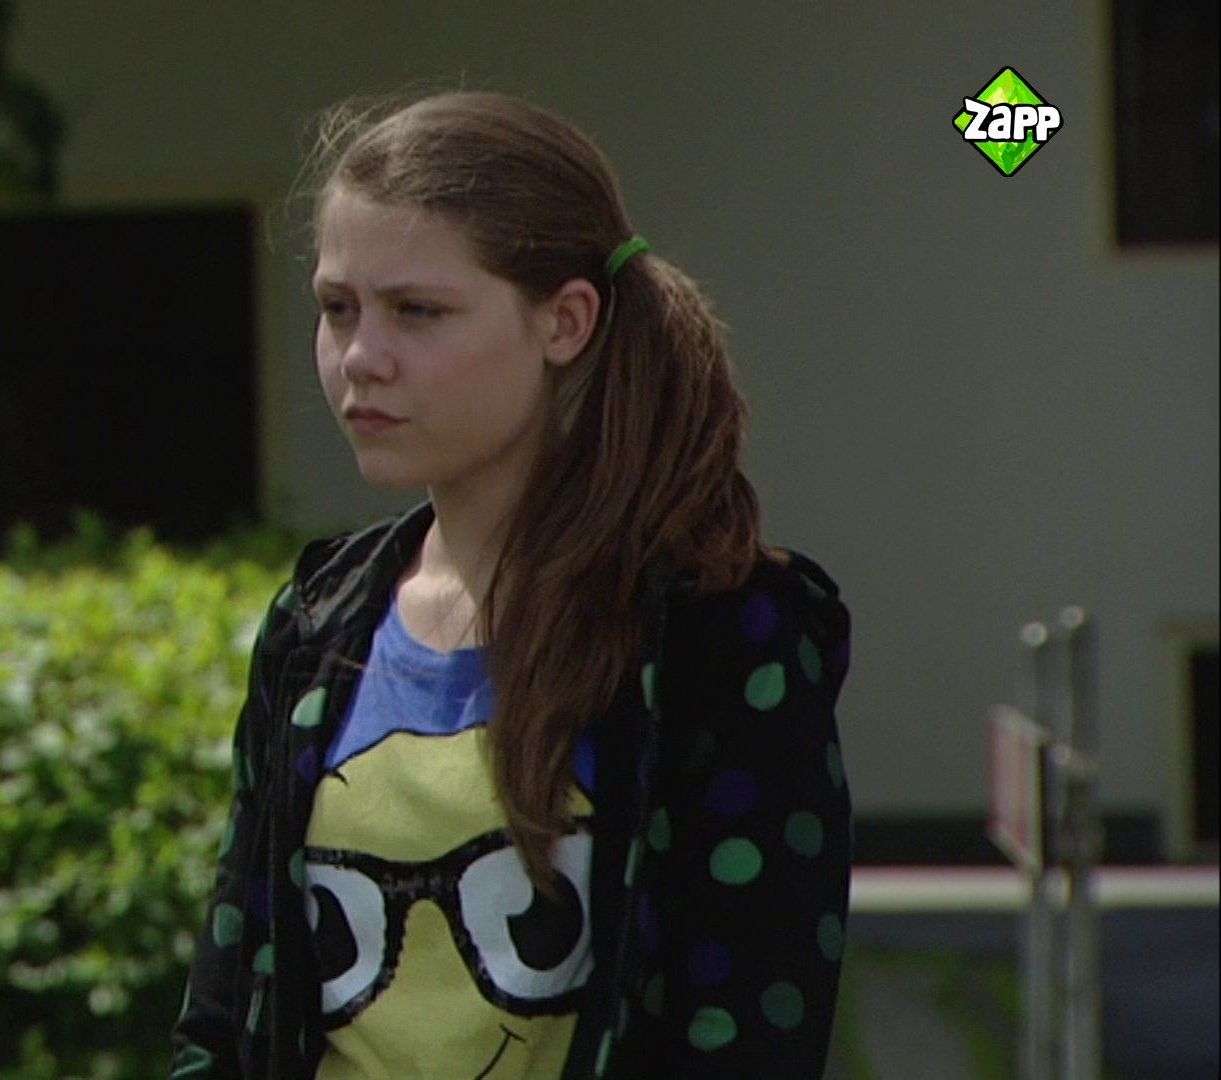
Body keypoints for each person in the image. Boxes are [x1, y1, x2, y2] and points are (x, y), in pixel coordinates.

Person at [171, 90, 853, 1080]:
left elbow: (748, 1035)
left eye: (418, 311)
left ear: (564, 321)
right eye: (337, 308)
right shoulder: (318, 621)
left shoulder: (719, 634)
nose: (361, 358)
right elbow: (226, 1013)